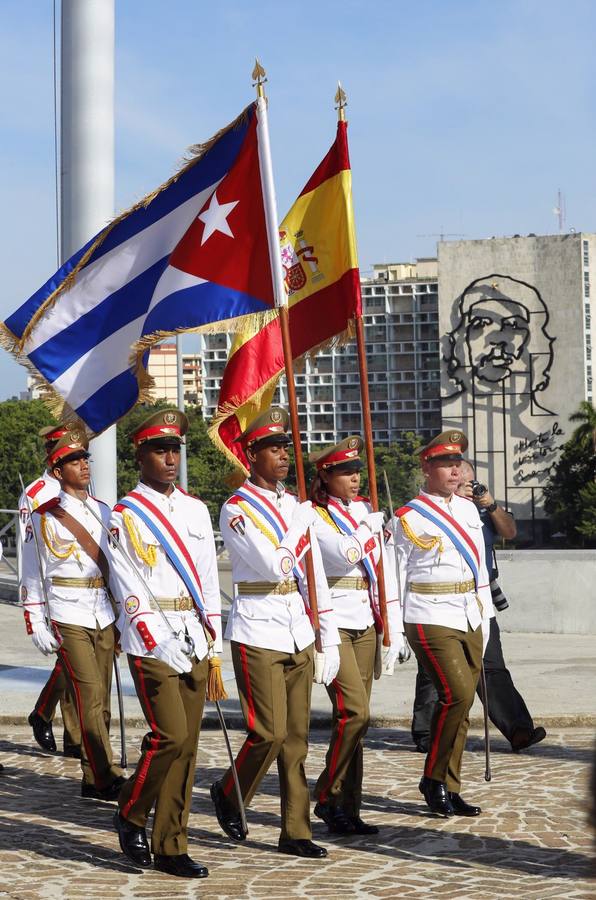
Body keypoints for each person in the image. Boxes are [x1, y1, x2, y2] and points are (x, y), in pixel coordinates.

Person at [211, 407, 341, 859]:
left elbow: (313, 574)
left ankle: (295, 830)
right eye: (273, 448)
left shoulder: (293, 503)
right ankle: (230, 791)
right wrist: (301, 527)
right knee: (267, 732)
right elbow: (274, 565)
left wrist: (328, 635)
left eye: (286, 447)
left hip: (298, 628)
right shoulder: (236, 508)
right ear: (251, 455)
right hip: (258, 626)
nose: (283, 456)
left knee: (297, 739)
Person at [109, 408, 222, 879]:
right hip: (151, 639)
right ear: (140, 455)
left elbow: (209, 578)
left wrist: (213, 640)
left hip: (193, 634)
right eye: (160, 449)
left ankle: (172, 843)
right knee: (169, 736)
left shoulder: (195, 509)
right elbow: (126, 582)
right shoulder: (125, 514)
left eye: (175, 449)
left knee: (189, 746)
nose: (170, 458)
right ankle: (131, 812)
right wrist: (155, 637)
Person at [387, 429, 491, 818]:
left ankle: (450, 783)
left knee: (461, 707)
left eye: (457, 462)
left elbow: (478, 565)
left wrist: (487, 615)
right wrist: (394, 630)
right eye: (445, 463)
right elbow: (394, 575)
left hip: (468, 611)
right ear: (426, 467)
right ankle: (432, 778)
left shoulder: (467, 510)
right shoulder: (409, 516)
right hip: (428, 613)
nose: (454, 470)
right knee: (458, 694)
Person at [308, 436, 410, 836]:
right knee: (356, 714)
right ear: (326, 476)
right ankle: (326, 792)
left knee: (353, 723)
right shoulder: (314, 516)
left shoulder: (365, 511)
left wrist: (392, 627)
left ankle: (347, 806)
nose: (354, 478)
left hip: (366, 620)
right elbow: (346, 555)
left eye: (356, 471)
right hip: (334, 621)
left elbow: (383, 572)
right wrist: (372, 527)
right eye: (345, 472)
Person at [411, 460, 546, 753]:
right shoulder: (428, 514)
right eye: (458, 483)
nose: (464, 488)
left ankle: (518, 729)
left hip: (479, 600)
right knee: (433, 674)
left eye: (469, 484)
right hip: (439, 604)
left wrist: (491, 503)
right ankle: (426, 732)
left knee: (492, 666)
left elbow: (510, 532)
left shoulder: (483, 511)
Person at [21, 429, 124, 801]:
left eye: (84, 460)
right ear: (57, 469)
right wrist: (35, 619)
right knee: (89, 693)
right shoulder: (44, 516)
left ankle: (91, 776)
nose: (83, 466)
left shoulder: (104, 510)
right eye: (73, 462)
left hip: (102, 611)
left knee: (103, 698)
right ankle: (105, 772)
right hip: (67, 611)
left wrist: (126, 620)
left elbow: (118, 569)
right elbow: (31, 573)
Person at [19, 424, 81, 758]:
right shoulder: (37, 492)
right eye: (69, 452)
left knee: (79, 669)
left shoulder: (79, 489)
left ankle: (76, 737)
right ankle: (44, 712)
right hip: (53, 592)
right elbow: (29, 553)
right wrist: (34, 609)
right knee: (74, 662)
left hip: (87, 595)